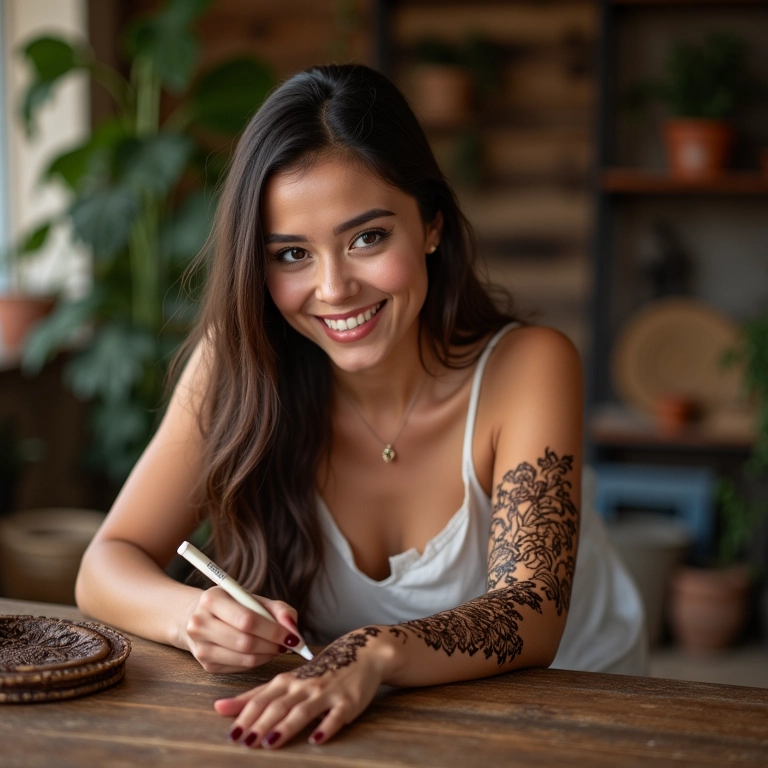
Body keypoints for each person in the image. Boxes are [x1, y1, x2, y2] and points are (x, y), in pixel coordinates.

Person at [76, 63, 647, 750]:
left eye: (367, 238)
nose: (334, 288)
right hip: (375, 715)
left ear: (431, 224)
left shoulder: (530, 366)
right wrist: (193, 614)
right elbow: (107, 562)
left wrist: (369, 651)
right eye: (291, 254)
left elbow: (530, 611)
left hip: (586, 703)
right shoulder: (239, 365)